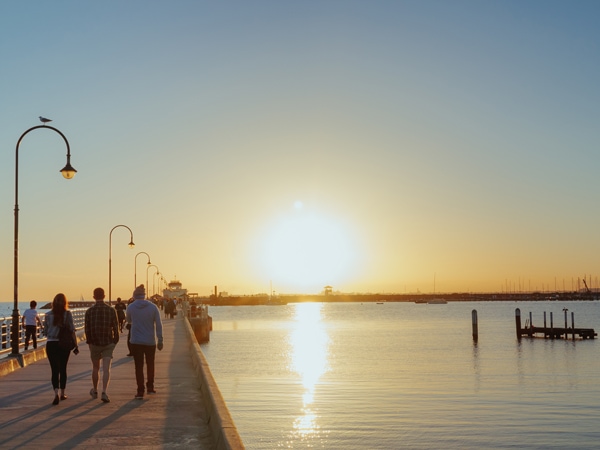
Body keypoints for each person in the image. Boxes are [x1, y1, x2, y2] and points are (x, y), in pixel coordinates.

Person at [126, 284, 163, 399]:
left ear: (134, 296)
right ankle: (150, 387)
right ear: (144, 295)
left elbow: (128, 320)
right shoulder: (153, 307)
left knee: (139, 366)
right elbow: (159, 324)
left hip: (136, 341)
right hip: (150, 341)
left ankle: (140, 391)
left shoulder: (130, 307)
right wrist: (160, 339)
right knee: (150, 364)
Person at [84, 287, 120, 403]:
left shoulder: (89, 311)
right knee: (106, 369)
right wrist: (114, 341)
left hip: (94, 343)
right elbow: (116, 327)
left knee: (95, 368)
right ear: (104, 296)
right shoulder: (111, 310)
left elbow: (87, 329)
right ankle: (104, 391)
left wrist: (89, 342)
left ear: (94, 297)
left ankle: (94, 390)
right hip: (108, 342)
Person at [43, 293, 79, 405]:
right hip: (64, 344)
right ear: (65, 302)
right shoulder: (67, 314)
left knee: (54, 369)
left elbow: (45, 332)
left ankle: (55, 393)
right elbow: (72, 330)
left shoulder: (48, 315)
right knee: (63, 368)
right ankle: (63, 393)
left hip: (51, 344)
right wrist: (76, 344)